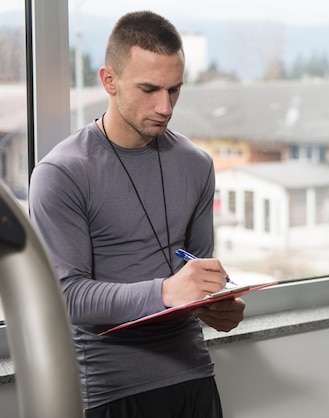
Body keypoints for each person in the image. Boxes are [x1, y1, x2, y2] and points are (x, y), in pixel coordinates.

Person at [28, 10, 245, 418]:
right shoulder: (62, 173)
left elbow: (195, 273)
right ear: (108, 80)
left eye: (174, 90)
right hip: (112, 391)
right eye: (149, 89)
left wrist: (218, 305)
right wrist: (166, 292)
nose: (164, 107)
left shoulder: (196, 164)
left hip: (194, 376)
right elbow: (66, 296)